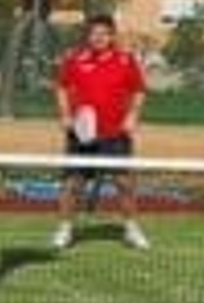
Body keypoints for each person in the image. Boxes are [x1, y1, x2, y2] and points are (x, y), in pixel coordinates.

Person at [51, 14, 149, 251]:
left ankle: (131, 228)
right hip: (81, 134)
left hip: (115, 134)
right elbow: (61, 87)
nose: (99, 38)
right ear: (88, 36)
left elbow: (139, 90)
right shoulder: (75, 59)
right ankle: (65, 229)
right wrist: (65, 115)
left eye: (104, 34)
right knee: (73, 184)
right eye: (95, 33)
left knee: (124, 183)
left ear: (112, 36)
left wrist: (133, 115)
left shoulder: (126, 61)